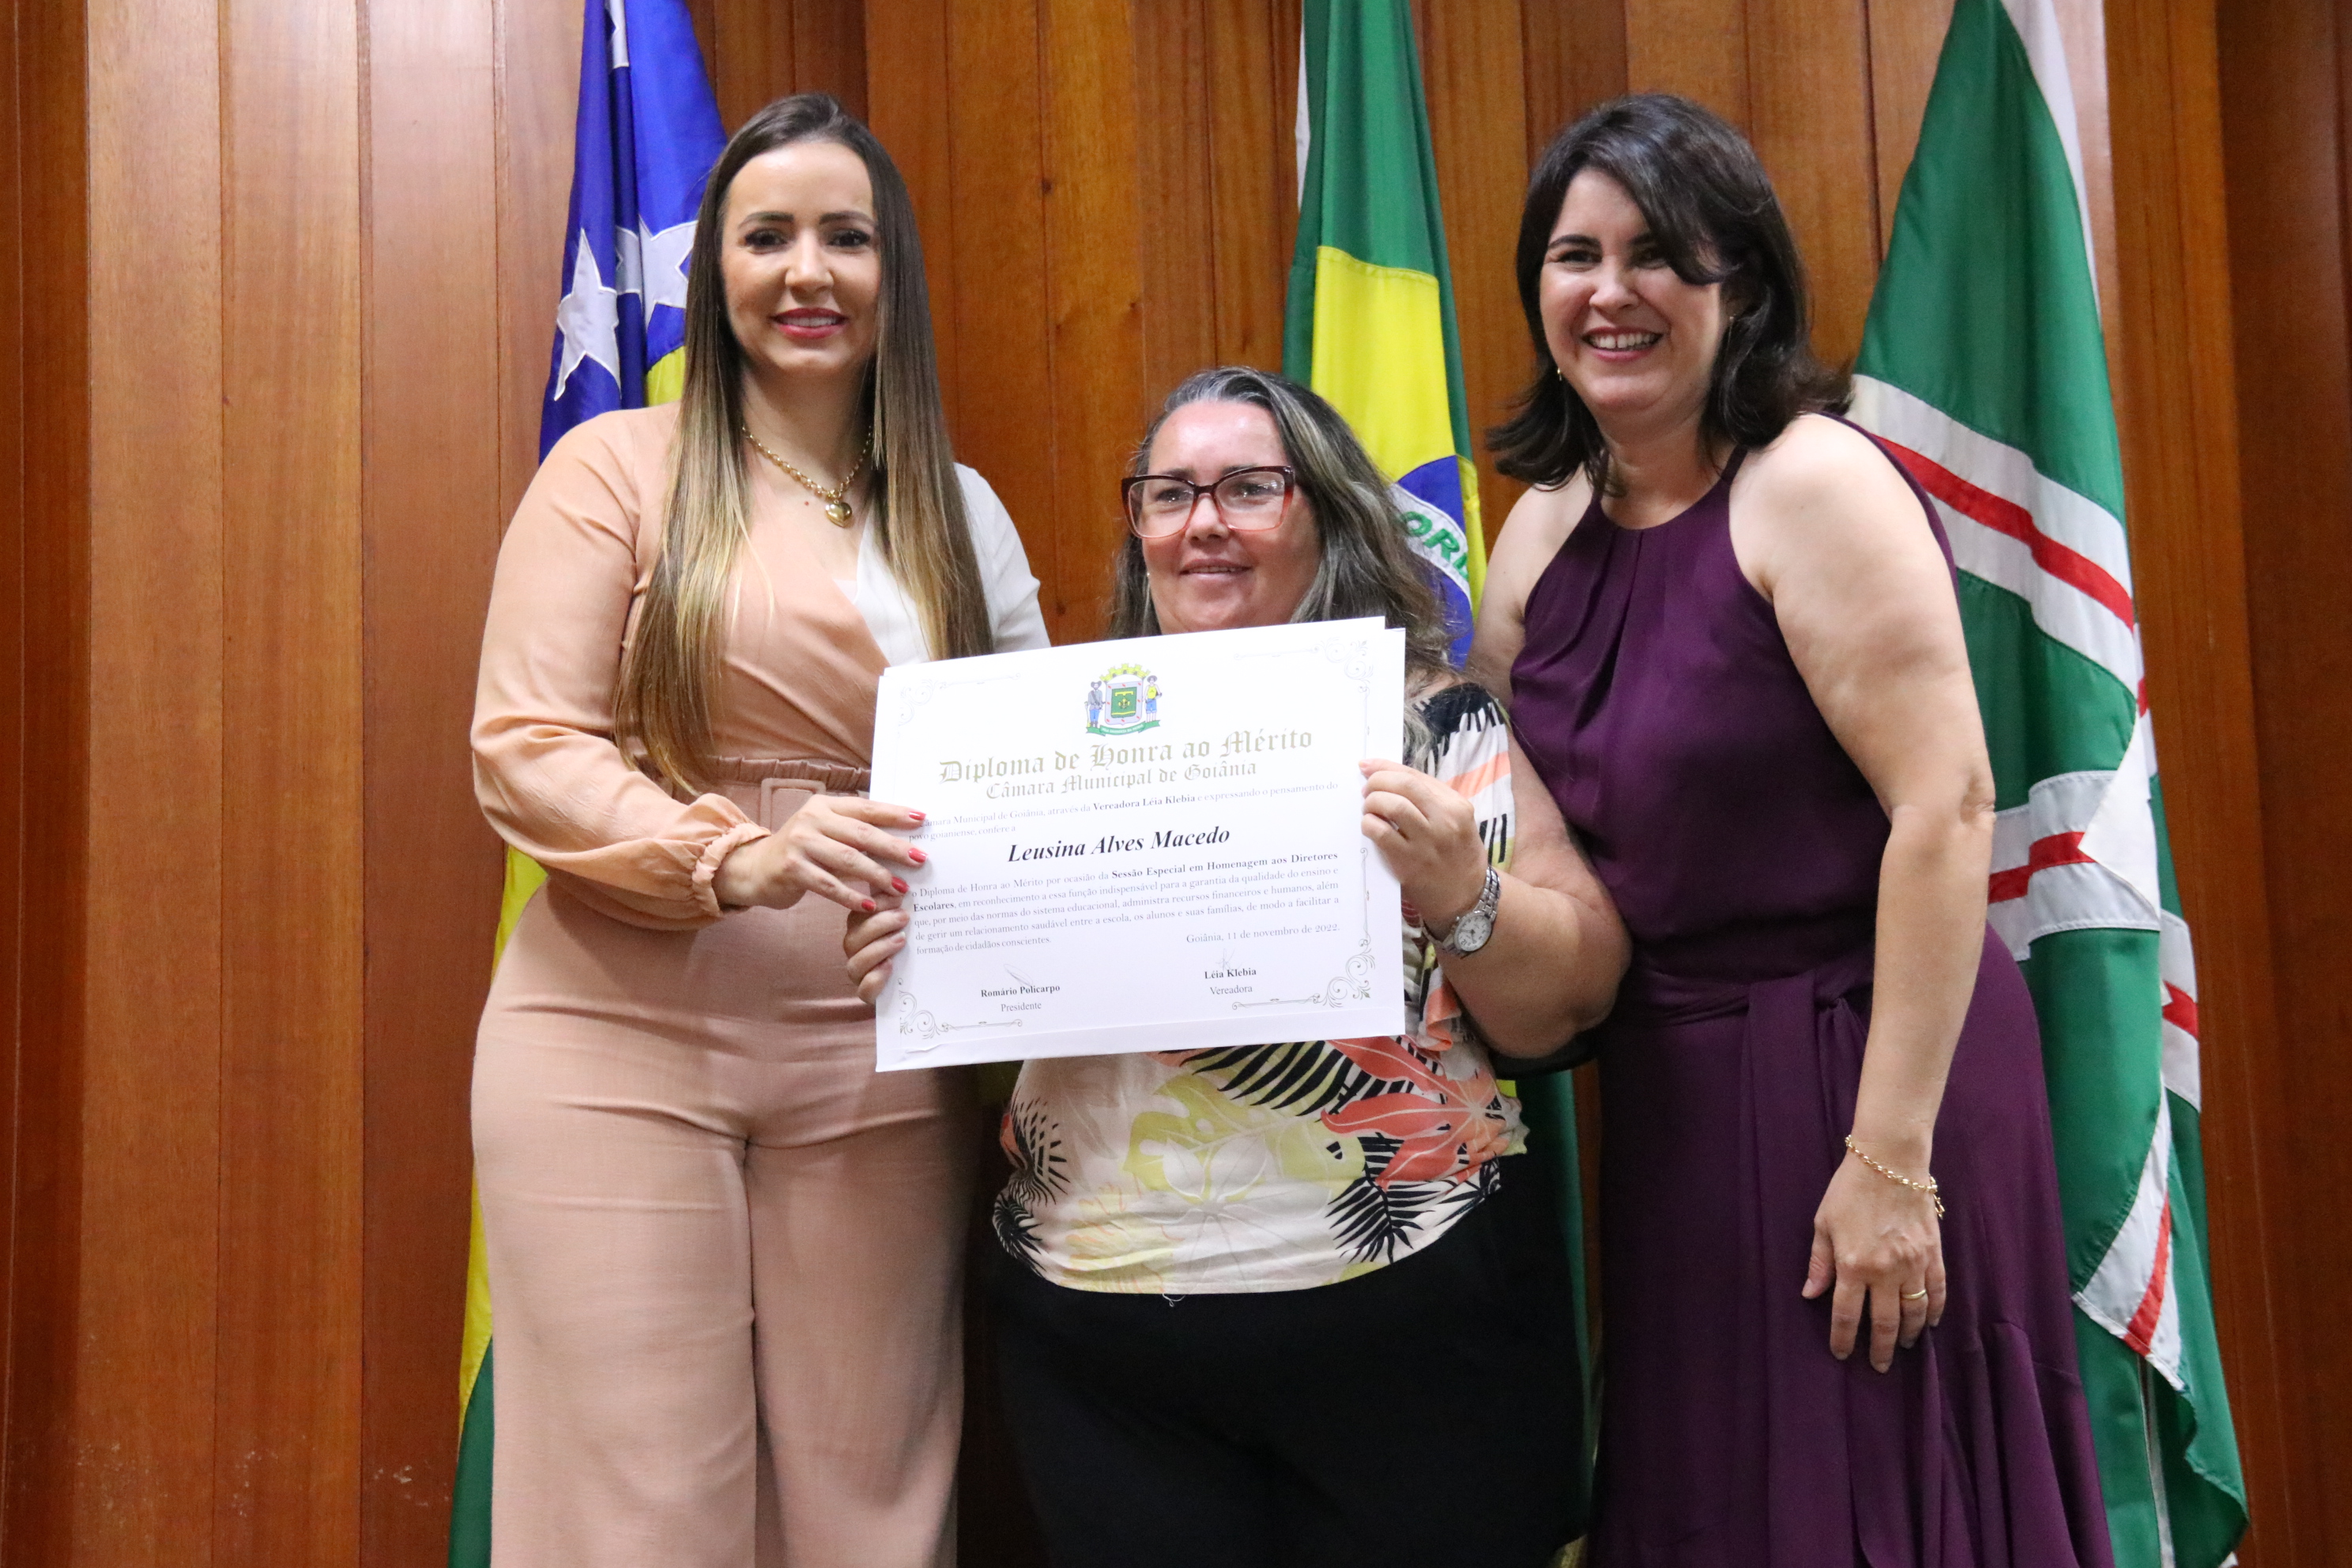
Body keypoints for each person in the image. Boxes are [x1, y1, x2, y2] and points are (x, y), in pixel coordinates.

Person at [847, 366, 1629, 1568]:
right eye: (1170, 494)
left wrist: (1460, 892)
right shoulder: (1032, 741)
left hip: (1404, 1322)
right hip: (1102, 1338)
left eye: (1250, 488)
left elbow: (1573, 999)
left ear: (1328, 512)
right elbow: (997, 1041)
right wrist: (917, 959)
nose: (1203, 522)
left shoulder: (1433, 723)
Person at [1476, 94, 2115, 1565]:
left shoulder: (1812, 482)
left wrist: (1889, 1159)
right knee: (1715, 1500)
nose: (1611, 291)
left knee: (1883, 1495)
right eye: (1576, 256)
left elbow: (1945, 807)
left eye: (1657, 252)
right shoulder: (1541, 530)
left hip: (1871, 1067)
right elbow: (1516, 828)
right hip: (1675, 1095)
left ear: (1740, 281)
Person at [469, 93, 1046, 1568]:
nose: (808, 271)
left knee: (872, 1501)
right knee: (639, 1508)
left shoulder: (961, 511)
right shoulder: (612, 469)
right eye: (767, 236)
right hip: (613, 1036)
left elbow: (1032, 780)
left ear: (892, 271)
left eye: (847, 237)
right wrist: (734, 856)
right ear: (711, 271)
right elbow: (527, 748)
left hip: (883, 1043)